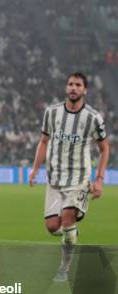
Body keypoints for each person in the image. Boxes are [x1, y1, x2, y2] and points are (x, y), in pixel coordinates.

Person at [29, 72, 110, 281]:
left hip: (79, 179)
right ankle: (71, 233)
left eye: (78, 85)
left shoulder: (93, 117)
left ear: (85, 90)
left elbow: (104, 148)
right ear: (66, 88)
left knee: (66, 219)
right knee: (52, 227)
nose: (73, 88)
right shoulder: (52, 112)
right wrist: (35, 169)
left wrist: (99, 179)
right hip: (55, 178)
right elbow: (44, 141)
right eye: (70, 84)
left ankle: (63, 269)